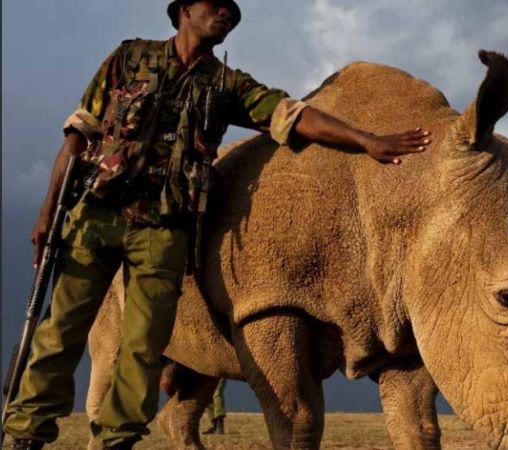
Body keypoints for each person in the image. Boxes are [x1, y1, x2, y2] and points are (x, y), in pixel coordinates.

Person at [3, 1, 431, 448]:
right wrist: (48, 209)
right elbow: (79, 132)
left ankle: (117, 438)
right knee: (61, 329)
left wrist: (367, 140)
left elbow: (295, 116)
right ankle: (26, 432)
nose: (226, 13)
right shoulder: (129, 58)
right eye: (216, 5)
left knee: (145, 344)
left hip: (164, 230)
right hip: (96, 214)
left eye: (233, 11)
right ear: (184, 10)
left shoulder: (227, 86)